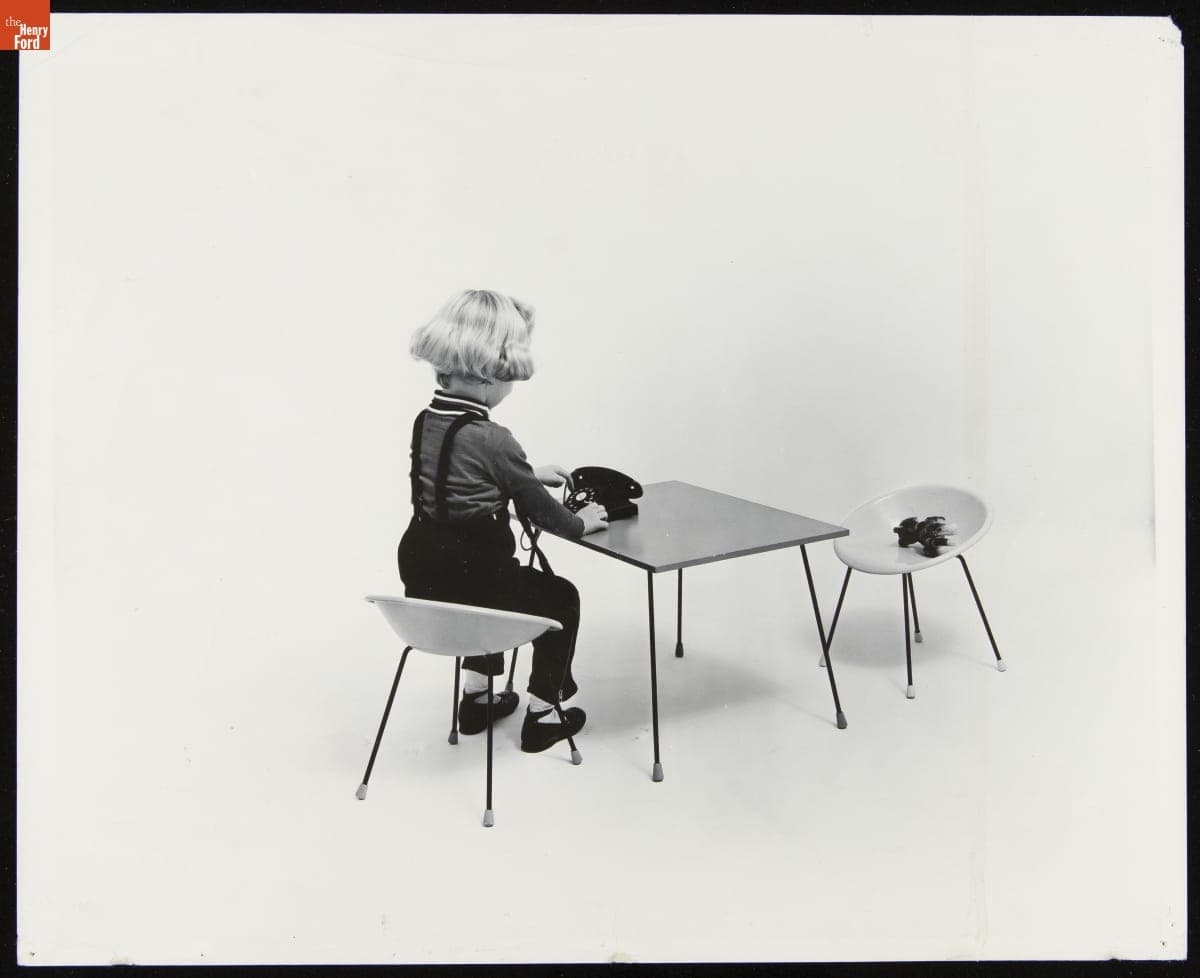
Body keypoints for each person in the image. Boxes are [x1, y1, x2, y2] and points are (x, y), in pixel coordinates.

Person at [398, 288, 609, 754]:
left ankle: (476, 700)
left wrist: (524, 474)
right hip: (474, 577)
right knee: (560, 598)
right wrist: (582, 521)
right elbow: (542, 511)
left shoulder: (426, 420)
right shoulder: (495, 438)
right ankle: (543, 714)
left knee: (484, 595)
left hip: (423, 574)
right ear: (490, 375)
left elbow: (450, 476)